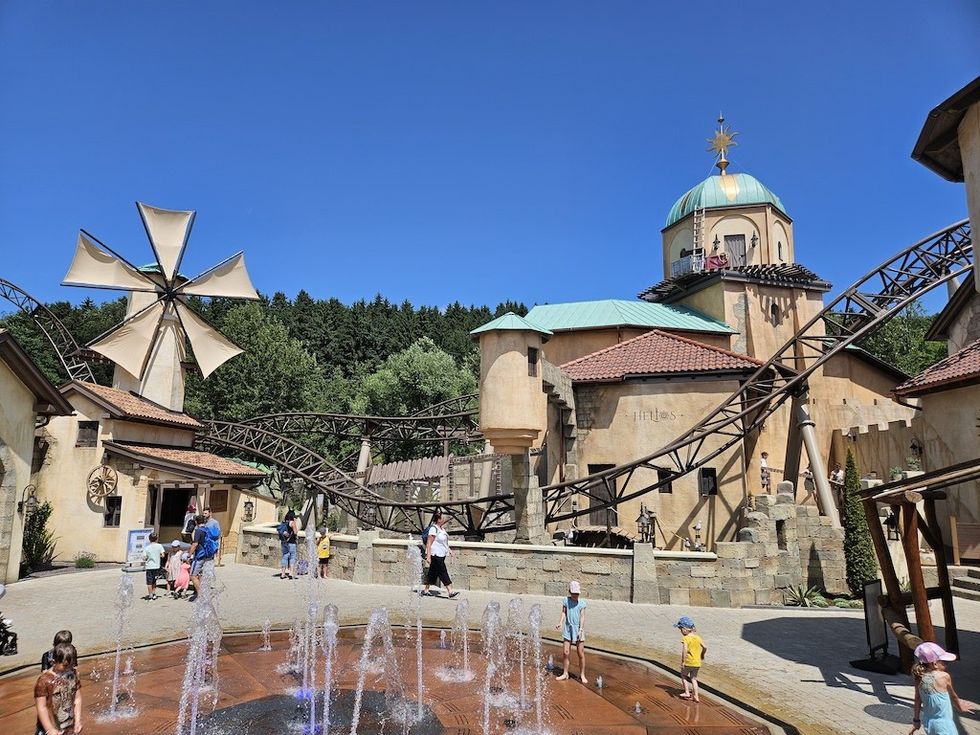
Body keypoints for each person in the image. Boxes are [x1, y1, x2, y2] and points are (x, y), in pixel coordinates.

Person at [909, 641, 974, 734]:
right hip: (944, 725)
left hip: (928, 723)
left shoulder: (919, 677)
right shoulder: (944, 676)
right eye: (944, 662)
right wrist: (960, 707)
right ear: (935, 663)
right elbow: (953, 696)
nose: (946, 664)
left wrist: (916, 721)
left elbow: (917, 699)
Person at [35, 642, 81, 735]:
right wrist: (49, 729)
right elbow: (41, 707)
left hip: (68, 725)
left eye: (71, 665)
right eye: (65, 665)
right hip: (49, 727)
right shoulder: (44, 680)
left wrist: (78, 721)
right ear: (53, 662)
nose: (69, 669)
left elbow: (77, 698)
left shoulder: (73, 675)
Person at [555, 580, 587, 683]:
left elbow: (582, 617)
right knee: (566, 652)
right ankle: (565, 673)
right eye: (573, 594)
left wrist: (581, 630)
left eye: (577, 594)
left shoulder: (582, 603)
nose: (575, 596)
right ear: (569, 592)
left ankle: (582, 674)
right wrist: (560, 622)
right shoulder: (566, 601)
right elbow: (564, 612)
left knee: (580, 653)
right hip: (568, 629)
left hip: (578, 630)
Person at [423, 511, 459, 598]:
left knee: (433, 572)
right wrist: (428, 556)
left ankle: (426, 590)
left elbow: (444, 542)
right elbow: (429, 542)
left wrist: (449, 550)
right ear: (438, 520)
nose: (444, 519)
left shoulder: (442, 529)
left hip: (442, 554)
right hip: (435, 554)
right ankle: (450, 591)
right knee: (443, 571)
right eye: (442, 518)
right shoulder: (433, 529)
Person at [674, 615, 706, 703]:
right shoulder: (698, 637)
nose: (680, 631)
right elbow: (705, 647)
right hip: (697, 663)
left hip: (688, 662)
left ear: (685, 629)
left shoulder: (686, 638)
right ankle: (696, 696)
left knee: (683, 676)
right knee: (693, 679)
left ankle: (687, 692)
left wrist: (683, 661)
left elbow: (684, 650)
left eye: (680, 629)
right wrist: (702, 655)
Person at [188, 514, 217, 602]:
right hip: (208, 555)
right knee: (201, 575)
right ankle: (204, 593)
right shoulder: (208, 529)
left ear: (196, 522)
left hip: (199, 556)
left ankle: (201, 595)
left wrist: (189, 554)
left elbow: (195, 544)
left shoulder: (198, 531)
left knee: (192, 576)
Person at [142, 533, 165, 600]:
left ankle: (150, 595)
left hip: (149, 566)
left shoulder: (147, 548)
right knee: (154, 581)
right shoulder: (159, 546)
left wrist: (148, 558)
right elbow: (163, 555)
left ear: (149, 539)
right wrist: (157, 556)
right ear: (156, 539)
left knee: (149, 582)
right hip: (156, 566)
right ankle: (154, 593)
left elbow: (144, 558)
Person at [279, 510, 299, 580]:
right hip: (291, 542)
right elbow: (296, 532)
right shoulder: (292, 523)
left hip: (284, 542)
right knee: (292, 556)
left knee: (284, 556)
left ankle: (283, 574)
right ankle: (291, 573)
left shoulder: (284, 522)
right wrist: (295, 523)